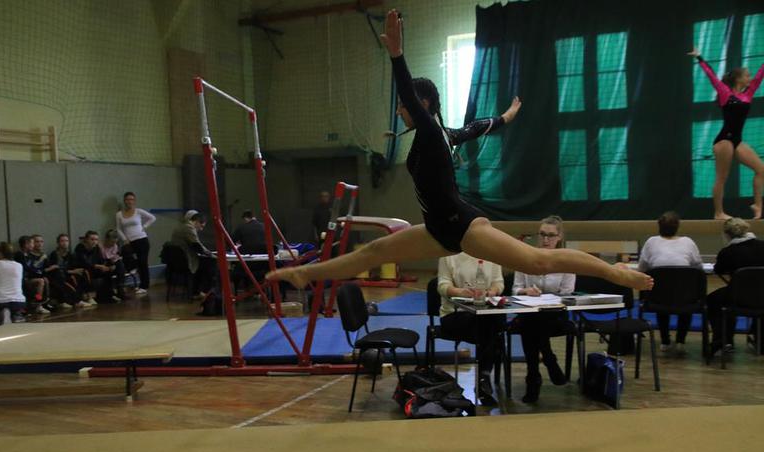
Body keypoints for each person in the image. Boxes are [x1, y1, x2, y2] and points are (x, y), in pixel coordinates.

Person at [267, 10, 653, 296]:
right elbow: (478, 126)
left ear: (423, 104)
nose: (400, 111)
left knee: (539, 261)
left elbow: (415, 101)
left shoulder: (431, 130)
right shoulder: (444, 134)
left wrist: (397, 56)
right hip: (438, 227)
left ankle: (615, 274)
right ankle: (306, 274)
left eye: (405, 105)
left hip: (463, 225)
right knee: (376, 250)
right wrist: (506, 117)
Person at [689, 47, 764, 220]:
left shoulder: (748, 93)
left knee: (761, 169)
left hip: (737, 140)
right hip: (724, 140)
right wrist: (699, 57)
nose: (750, 78)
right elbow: (712, 76)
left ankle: (758, 205)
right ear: (738, 78)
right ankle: (718, 212)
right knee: (722, 177)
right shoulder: (725, 93)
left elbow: (760, 76)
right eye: (747, 75)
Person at [511, 216, 575, 403]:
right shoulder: (525, 258)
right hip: (530, 312)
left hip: (555, 315)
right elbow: (515, 289)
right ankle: (548, 360)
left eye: (550, 235)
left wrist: (548, 298)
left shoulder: (567, 260)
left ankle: (533, 377)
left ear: (559, 237)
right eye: (542, 234)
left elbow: (568, 293)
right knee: (530, 321)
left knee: (530, 325)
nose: (546, 239)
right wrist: (526, 291)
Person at [437, 253, 505, 405]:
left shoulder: (493, 252)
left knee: (491, 321)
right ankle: (484, 377)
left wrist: (492, 292)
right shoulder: (449, 256)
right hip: (454, 314)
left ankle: (483, 378)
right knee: (492, 328)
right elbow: (442, 285)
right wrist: (460, 292)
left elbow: (499, 283)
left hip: (484, 313)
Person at [637, 211, 703, 353]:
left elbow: (641, 268)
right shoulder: (688, 242)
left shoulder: (651, 242)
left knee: (662, 292)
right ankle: (681, 340)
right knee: (685, 296)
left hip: (658, 297)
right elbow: (698, 268)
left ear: (659, 226)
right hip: (685, 297)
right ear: (677, 227)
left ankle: (665, 341)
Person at [707, 218, 764, 358]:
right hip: (762, 295)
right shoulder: (762, 246)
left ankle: (723, 341)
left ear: (727, 234)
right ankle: (759, 338)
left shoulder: (727, 252)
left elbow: (718, 270)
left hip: (738, 297)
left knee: (713, 300)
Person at [116, 191, 156, 295]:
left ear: (134, 201)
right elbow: (118, 228)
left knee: (143, 263)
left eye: (132, 199)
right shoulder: (119, 214)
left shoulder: (138, 211)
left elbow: (152, 218)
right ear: (124, 201)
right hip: (129, 241)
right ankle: (133, 267)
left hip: (142, 239)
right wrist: (124, 239)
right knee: (125, 253)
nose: (130, 201)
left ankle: (144, 286)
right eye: (127, 199)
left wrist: (144, 227)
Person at [171, 210, 217, 298]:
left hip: (177, 261)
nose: (201, 229)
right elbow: (197, 245)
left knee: (204, 264)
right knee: (211, 264)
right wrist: (211, 254)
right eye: (201, 226)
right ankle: (206, 291)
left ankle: (196, 291)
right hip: (185, 261)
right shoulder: (189, 228)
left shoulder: (180, 226)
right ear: (197, 221)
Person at [47, 234, 91, 309]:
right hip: (58, 277)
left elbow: (73, 266)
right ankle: (76, 301)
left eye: (66, 241)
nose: (65, 243)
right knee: (64, 278)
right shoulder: (54, 254)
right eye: (62, 241)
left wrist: (77, 270)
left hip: (68, 274)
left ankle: (87, 297)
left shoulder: (70, 254)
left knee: (83, 273)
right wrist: (70, 272)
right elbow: (56, 268)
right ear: (58, 243)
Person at [75, 230, 112, 304]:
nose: (94, 242)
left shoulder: (96, 248)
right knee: (86, 273)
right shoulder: (80, 248)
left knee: (108, 272)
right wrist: (98, 266)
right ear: (86, 240)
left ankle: (107, 295)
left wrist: (106, 266)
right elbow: (83, 263)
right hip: (83, 270)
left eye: (96, 239)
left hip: (95, 269)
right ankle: (89, 297)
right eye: (92, 239)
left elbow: (101, 260)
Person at [16, 235, 50, 315]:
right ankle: (38, 303)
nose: (33, 245)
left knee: (42, 280)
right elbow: (26, 268)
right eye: (32, 243)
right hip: (22, 279)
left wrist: (39, 273)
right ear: (26, 244)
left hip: (28, 278)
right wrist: (38, 273)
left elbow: (32, 268)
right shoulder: (19, 255)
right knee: (40, 281)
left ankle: (39, 301)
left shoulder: (28, 255)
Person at [101, 229, 126, 301]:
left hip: (113, 263)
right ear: (107, 239)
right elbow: (102, 257)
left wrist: (113, 263)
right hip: (104, 263)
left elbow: (115, 257)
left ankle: (120, 289)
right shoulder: (101, 247)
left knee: (120, 266)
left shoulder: (115, 246)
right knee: (108, 271)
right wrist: (110, 264)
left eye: (115, 242)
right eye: (112, 242)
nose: (113, 244)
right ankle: (110, 293)